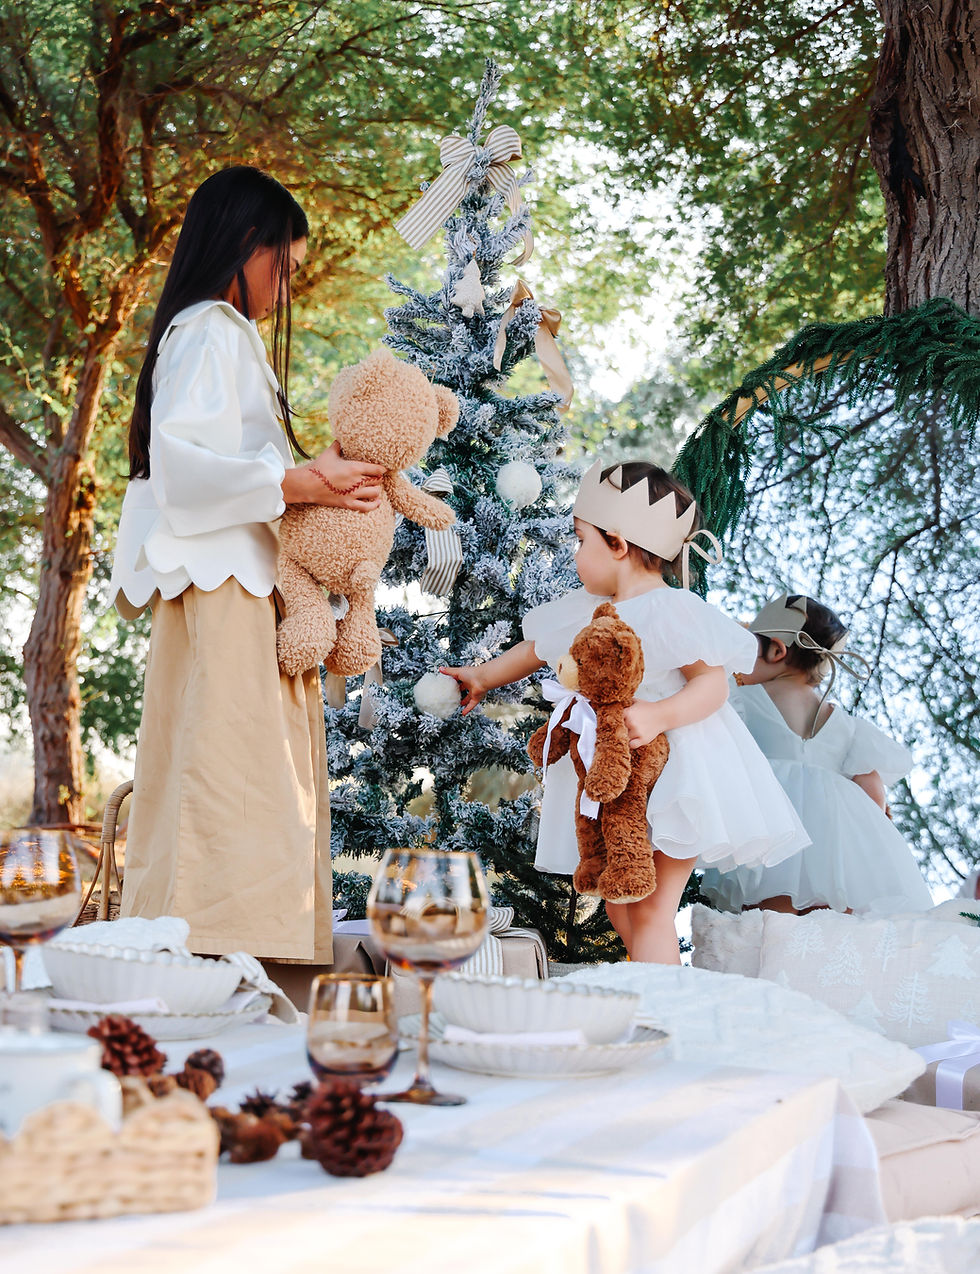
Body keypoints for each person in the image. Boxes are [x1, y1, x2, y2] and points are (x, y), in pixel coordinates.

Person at [109, 166, 386, 967]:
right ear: (243, 244)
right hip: (224, 587)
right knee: (233, 776)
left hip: (237, 585)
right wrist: (298, 480)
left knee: (239, 774)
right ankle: (217, 962)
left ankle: (226, 957)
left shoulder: (221, 337)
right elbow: (182, 461)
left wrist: (311, 476)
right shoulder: (208, 329)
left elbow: (229, 462)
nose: (286, 283)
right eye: (283, 263)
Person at [441, 460, 809, 964]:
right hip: (613, 777)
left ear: (616, 543)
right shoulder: (588, 609)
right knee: (620, 908)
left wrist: (659, 715)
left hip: (676, 774)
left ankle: (668, 1012)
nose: (576, 555)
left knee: (653, 908)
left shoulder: (674, 610)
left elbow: (713, 686)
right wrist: (483, 676)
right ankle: (657, 992)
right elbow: (535, 648)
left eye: (580, 540)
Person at [699, 593, 933, 915]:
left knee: (768, 920)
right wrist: (860, 837)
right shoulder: (849, 726)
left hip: (771, 829)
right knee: (835, 923)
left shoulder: (742, 701)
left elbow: (722, 758)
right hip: (836, 848)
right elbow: (871, 791)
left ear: (776, 649)